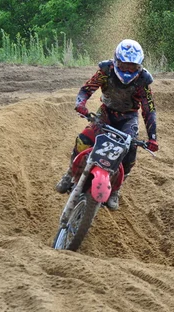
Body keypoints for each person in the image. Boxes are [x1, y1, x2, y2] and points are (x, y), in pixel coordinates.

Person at [55, 39, 158, 210]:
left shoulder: (143, 81)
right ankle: (69, 174)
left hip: (128, 118)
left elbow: (149, 109)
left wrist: (153, 138)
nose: (127, 69)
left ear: (138, 66)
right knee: (83, 139)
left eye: (132, 66)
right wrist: (81, 103)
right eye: (124, 65)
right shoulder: (105, 70)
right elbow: (87, 88)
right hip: (106, 112)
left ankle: (116, 189)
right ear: (116, 61)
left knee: (131, 150)